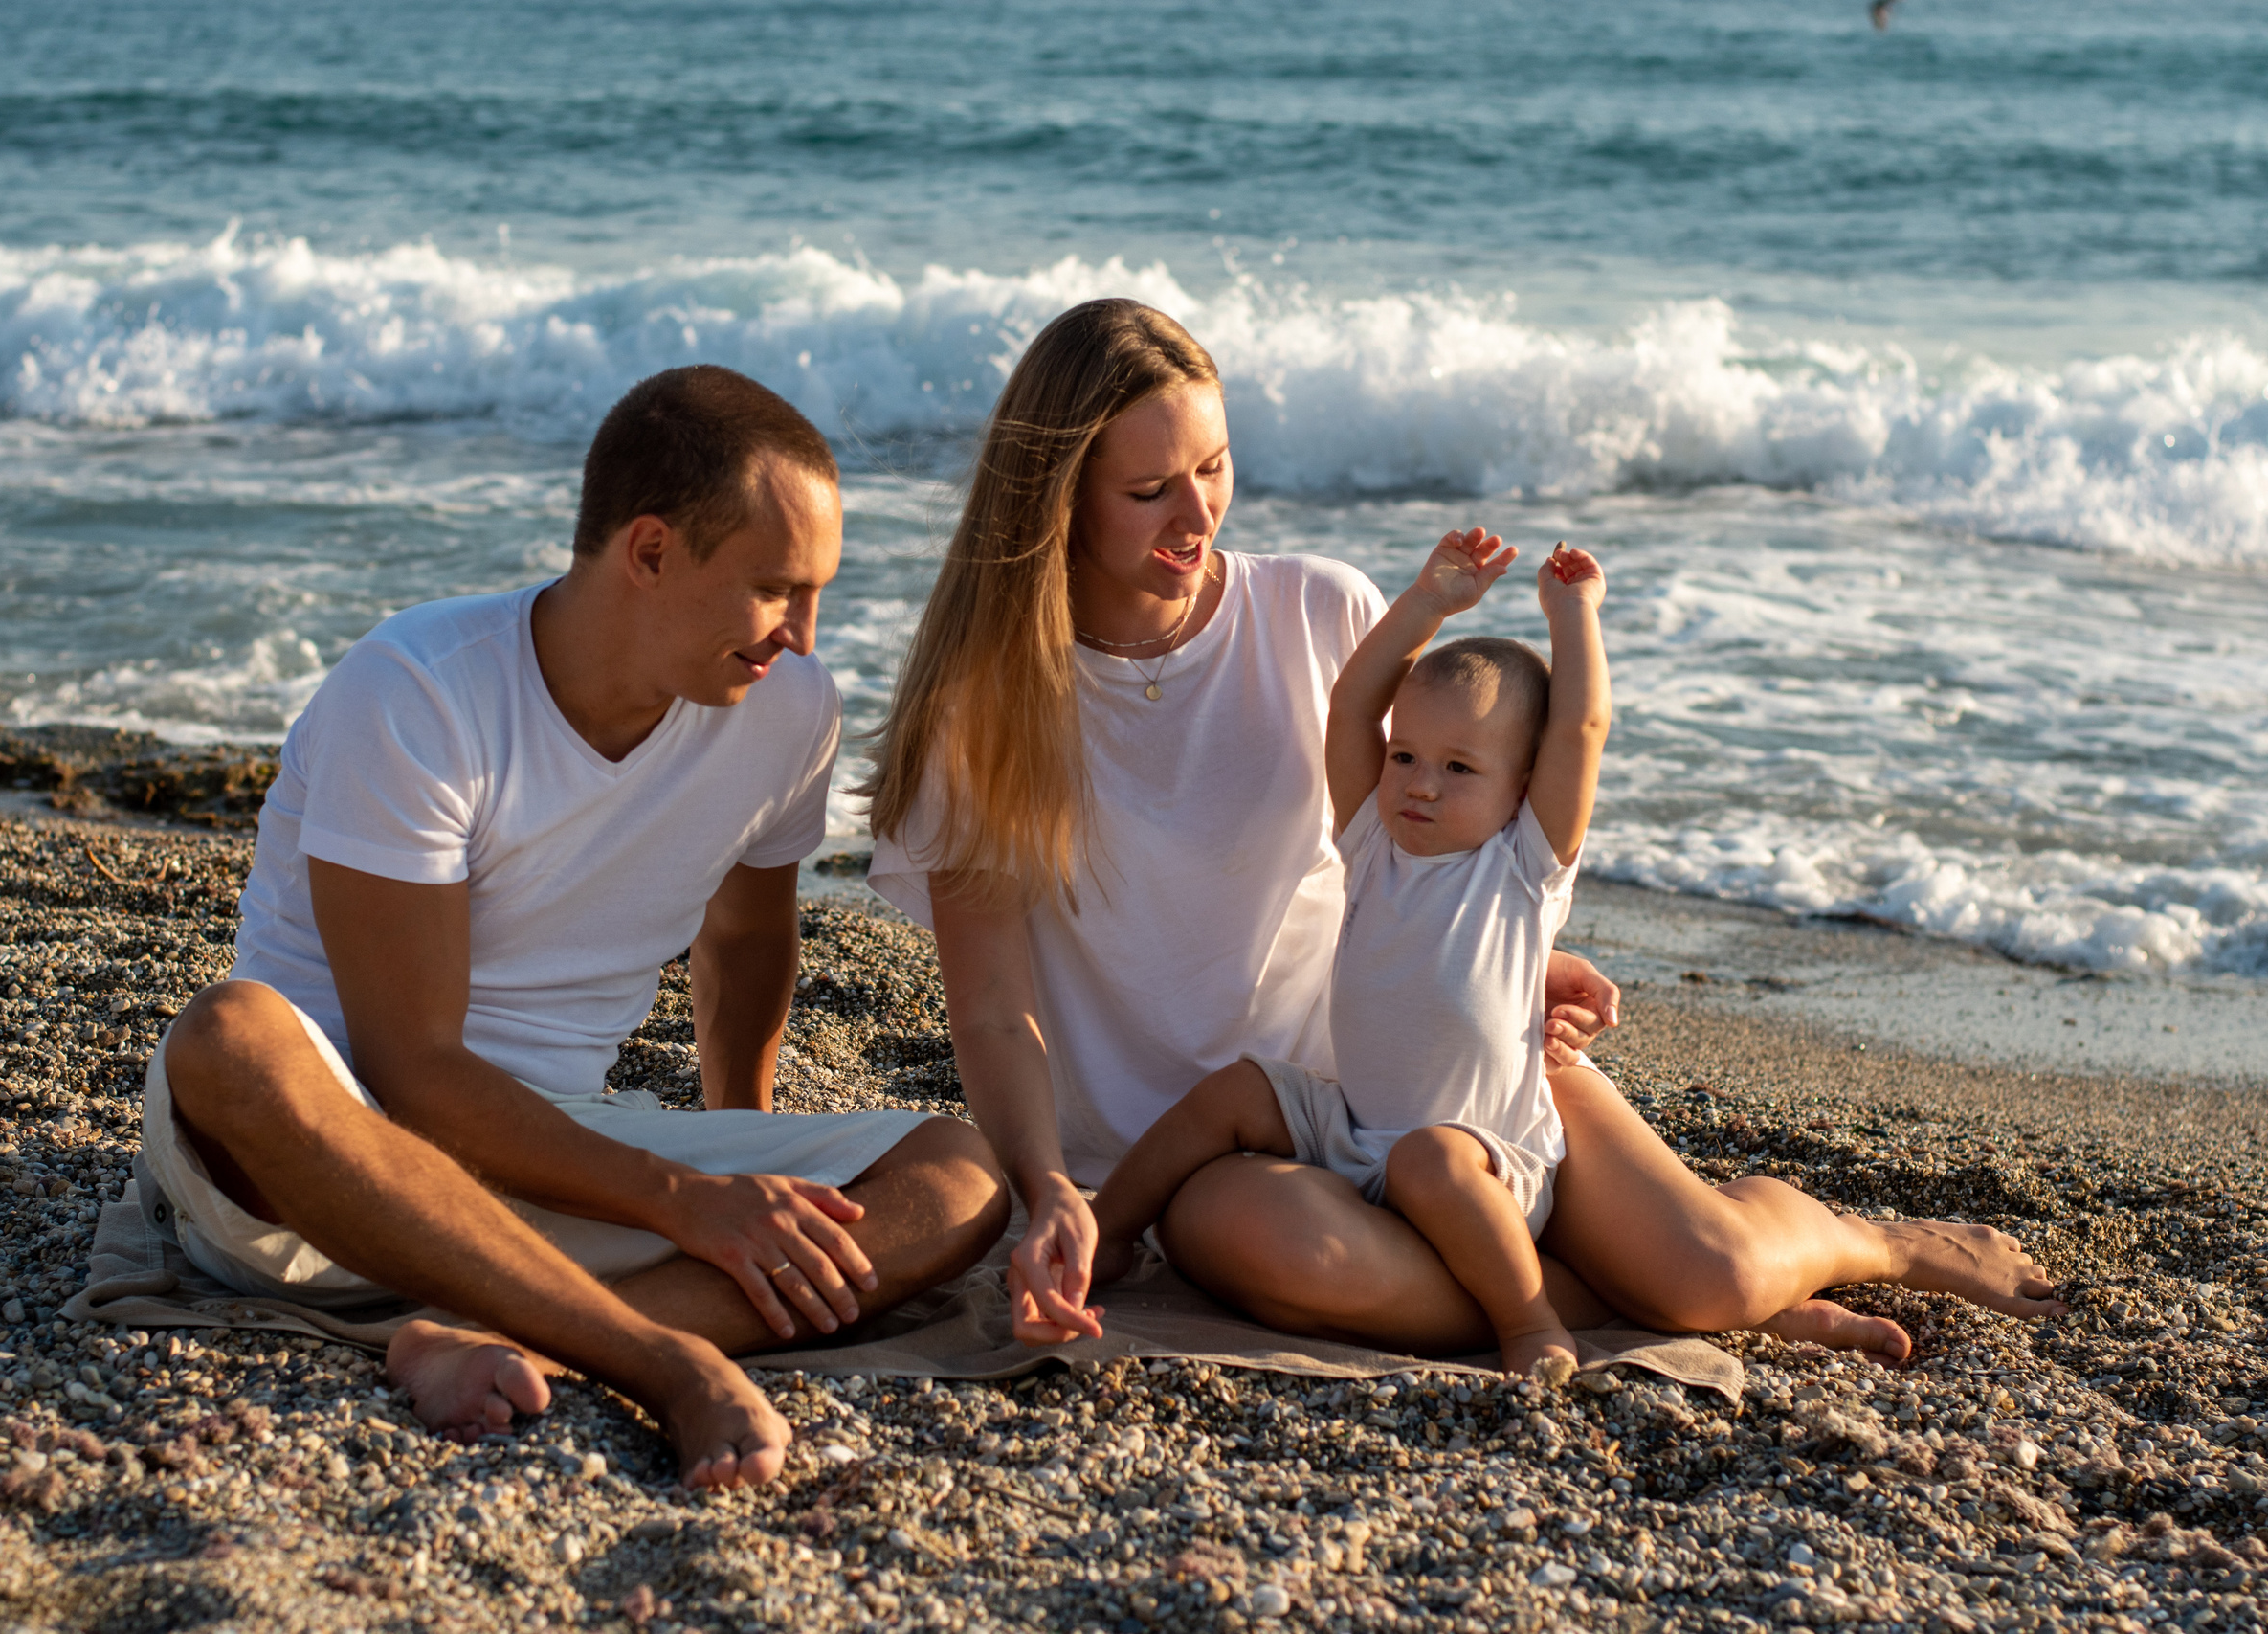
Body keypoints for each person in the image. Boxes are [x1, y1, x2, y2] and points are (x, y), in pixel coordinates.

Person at [862, 297, 2063, 1362]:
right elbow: (991, 1009)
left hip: (1449, 1079)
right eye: (1147, 491)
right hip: (1223, 1160)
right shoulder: (984, 707)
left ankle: (1874, 1245)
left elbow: (1430, 824)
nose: (1199, 517)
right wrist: (1046, 1192)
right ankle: (1606, 1304)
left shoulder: (1315, 608)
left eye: (1215, 470)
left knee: (1716, 1269)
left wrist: (1514, 960)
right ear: (1055, 501)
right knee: (1262, 1245)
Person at [144, 366, 1008, 1490]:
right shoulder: (418, 691)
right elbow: (413, 1071)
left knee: (960, 1174)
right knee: (231, 1038)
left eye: (818, 595)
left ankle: (514, 1334)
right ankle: (663, 1358)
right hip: (327, 1166)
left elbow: (745, 941)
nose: (802, 634)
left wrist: (745, 1173)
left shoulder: (788, 710)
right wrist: (685, 1203)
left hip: (564, 1170)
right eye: (775, 590)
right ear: (648, 552)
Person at [1088, 526, 1609, 1376]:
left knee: (1428, 1156)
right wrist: (1429, 602)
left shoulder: (1522, 868)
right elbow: (1353, 702)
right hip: (1355, 1131)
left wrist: (1573, 614)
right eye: (1406, 756)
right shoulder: (1372, 841)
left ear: (1521, 788)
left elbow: (1580, 728)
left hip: (1479, 1160)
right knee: (1240, 1088)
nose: (1420, 782)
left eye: (1459, 767)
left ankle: (1530, 1318)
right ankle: (1103, 1232)